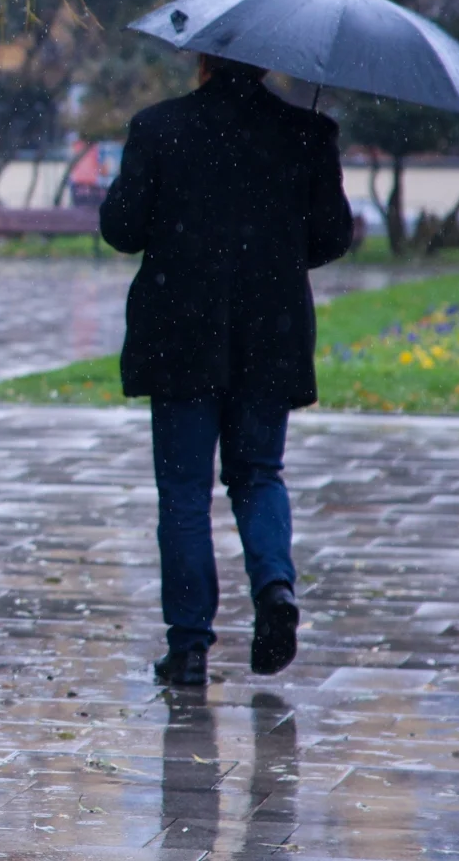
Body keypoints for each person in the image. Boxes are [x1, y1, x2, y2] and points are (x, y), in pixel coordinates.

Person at [99, 53, 353, 688]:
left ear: (203, 57)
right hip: (271, 332)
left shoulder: (159, 128)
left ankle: (188, 646)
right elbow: (330, 238)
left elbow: (122, 229)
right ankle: (274, 589)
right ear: (269, 62)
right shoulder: (306, 133)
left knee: (185, 492)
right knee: (259, 473)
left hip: (182, 332)